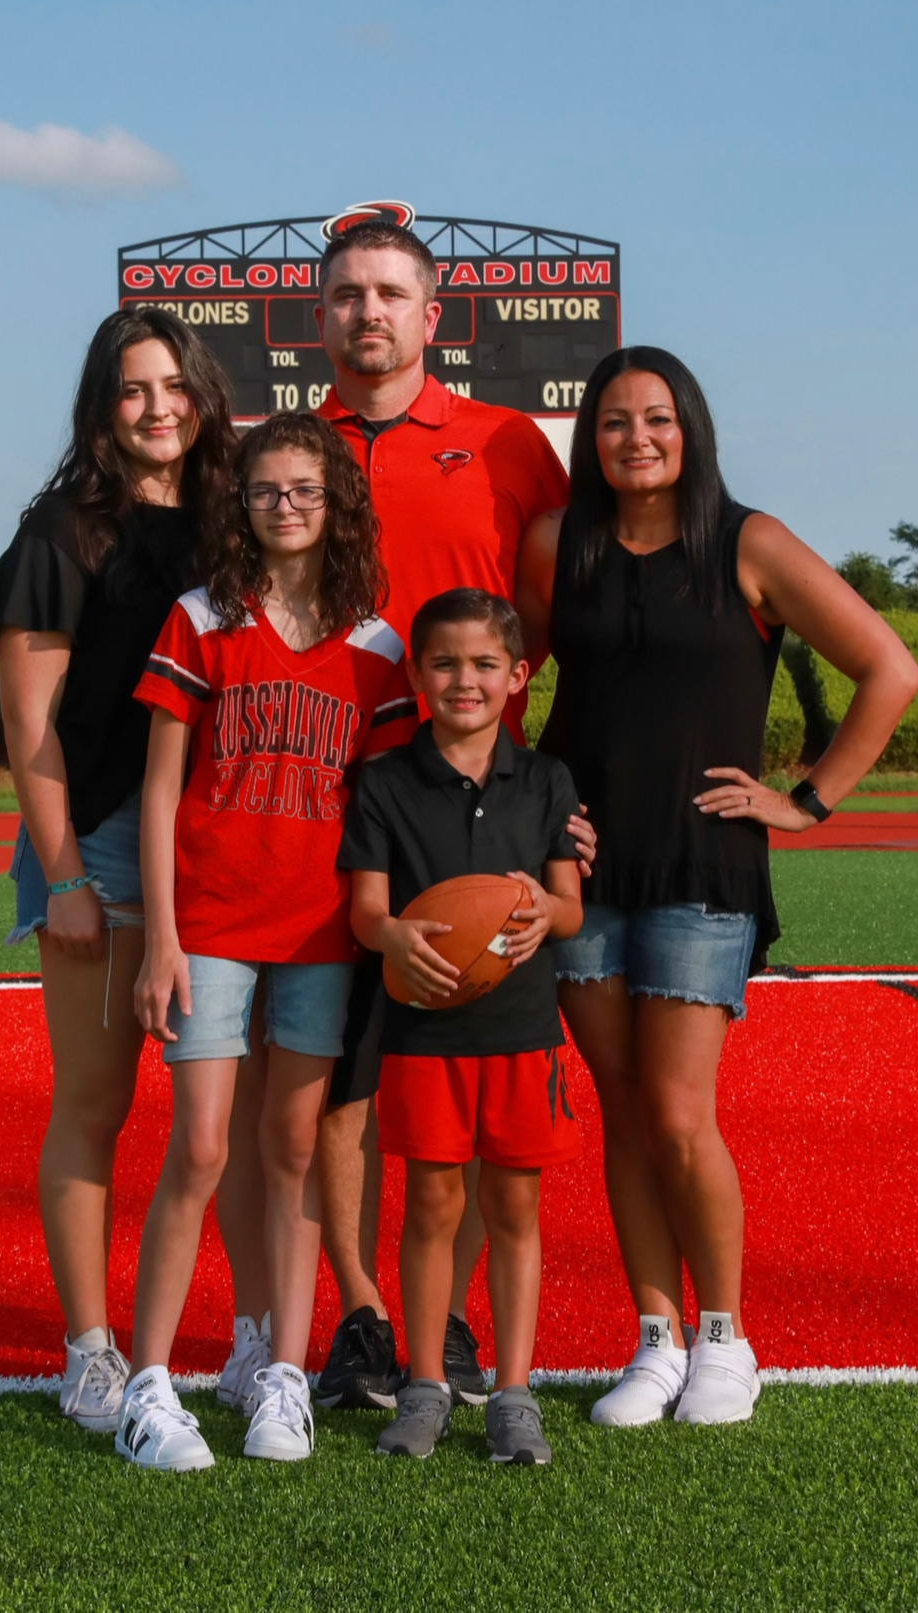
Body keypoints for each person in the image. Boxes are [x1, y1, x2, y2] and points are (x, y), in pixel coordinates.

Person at [214, 222, 593, 1412]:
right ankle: (364, 1314)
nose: (366, 312)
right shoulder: (285, 453)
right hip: (326, 798)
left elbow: (553, 629)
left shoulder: (510, 443)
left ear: (434, 313)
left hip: (477, 800)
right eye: (344, 296)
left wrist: (557, 797)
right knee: (338, 1084)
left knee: (471, 1052)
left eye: (389, 293)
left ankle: (457, 1320)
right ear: (316, 319)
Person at [515, 346, 918, 1425]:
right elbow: (501, 682)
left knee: (679, 1111)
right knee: (620, 1106)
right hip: (587, 864)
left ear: (690, 428)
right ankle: (652, 1338)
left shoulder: (752, 544)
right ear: (588, 439)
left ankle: (725, 1338)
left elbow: (891, 666)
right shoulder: (558, 544)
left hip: (703, 862)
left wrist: (807, 798)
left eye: (655, 418)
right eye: (611, 421)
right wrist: (522, 806)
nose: (634, 438)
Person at [116, 413, 418, 1469]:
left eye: (304, 488)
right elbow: (160, 789)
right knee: (201, 1147)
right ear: (237, 504)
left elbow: (388, 804)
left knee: (291, 1154)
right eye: (264, 490)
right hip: (210, 926)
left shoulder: (377, 644)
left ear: (337, 502)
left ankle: (281, 1377)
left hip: (323, 935)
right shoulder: (202, 616)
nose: (284, 506)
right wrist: (160, 936)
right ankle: (148, 1384)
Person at [0, 308, 237, 1431]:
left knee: (233, 1114)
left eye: (173, 384)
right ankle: (90, 1346)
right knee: (97, 1099)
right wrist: (67, 874)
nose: (157, 406)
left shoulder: (235, 521)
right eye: (132, 389)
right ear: (101, 406)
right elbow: (30, 728)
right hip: (102, 837)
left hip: (223, 840)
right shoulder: (60, 532)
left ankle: (260, 1339)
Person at [340, 589, 583, 1463]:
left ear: (518, 676)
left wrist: (541, 907)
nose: (464, 680)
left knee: (514, 1205)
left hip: (523, 1031)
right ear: (416, 674)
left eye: (485, 664)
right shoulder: (385, 782)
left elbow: (572, 907)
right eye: (444, 663)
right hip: (424, 1032)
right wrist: (395, 935)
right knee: (434, 1203)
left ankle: (514, 1391)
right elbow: (367, 911)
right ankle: (427, 1382)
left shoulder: (548, 778)